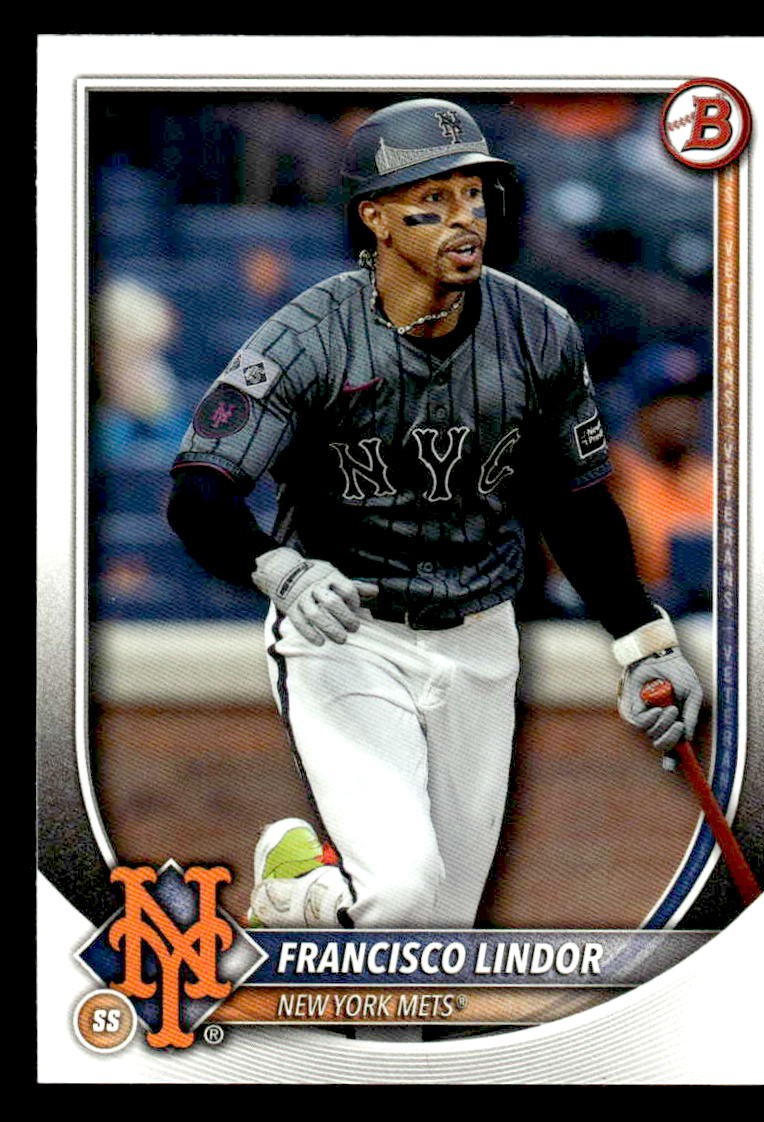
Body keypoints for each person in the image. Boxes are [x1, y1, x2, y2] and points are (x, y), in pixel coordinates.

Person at [167, 98, 703, 931]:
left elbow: (575, 501)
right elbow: (199, 489)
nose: (464, 218)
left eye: (473, 196)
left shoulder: (538, 330)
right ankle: (300, 896)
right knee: (400, 894)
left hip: (481, 635)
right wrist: (279, 568)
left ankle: (319, 912)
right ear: (375, 218)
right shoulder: (307, 335)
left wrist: (642, 642)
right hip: (346, 633)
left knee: (441, 934)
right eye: (433, 199)